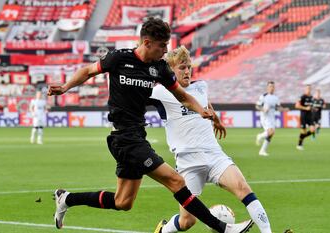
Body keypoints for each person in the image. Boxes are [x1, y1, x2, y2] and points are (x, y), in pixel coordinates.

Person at [48, 18, 251, 233]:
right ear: (147, 43)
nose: (165, 50)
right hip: (124, 138)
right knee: (176, 180)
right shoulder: (118, 58)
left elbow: (182, 96)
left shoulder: (159, 68)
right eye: (162, 45)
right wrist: (65, 87)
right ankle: (224, 229)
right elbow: (88, 71)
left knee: (123, 202)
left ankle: (66, 198)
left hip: (136, 136)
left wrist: (202, 111)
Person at [150, 46, 270, 233]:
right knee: (187, 221)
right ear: (170, 70)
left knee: (243, 187)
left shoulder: (201, 86)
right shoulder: (160, 92)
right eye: (182, 67)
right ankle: (162, 231)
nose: (187, 71)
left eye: (189, 66)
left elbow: (205, 102)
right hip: (187, 161)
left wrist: (216, 119)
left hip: (214, 155)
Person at [255, 81, 289, 156]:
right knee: (270, 131)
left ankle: (262, 151)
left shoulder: (275, 98)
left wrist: (284, 109)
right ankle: (259, 136)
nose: (272, 88)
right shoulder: (263, 96)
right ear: (267, 87)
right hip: (265, 117)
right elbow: (257, 106)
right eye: (270, 86)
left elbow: (278, 107)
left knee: (271, 134)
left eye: (273, 87)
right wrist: (263, 109)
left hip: (272, 117)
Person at [295, 85, 314, 150]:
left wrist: (313, 108)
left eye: (309, 88)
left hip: (310, 116)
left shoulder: (311, 97)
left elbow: (311, 106)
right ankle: (299, 144)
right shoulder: (302, 97)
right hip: (303, 116)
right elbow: (297, 105)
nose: (308, 90)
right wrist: (305, 108)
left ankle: (301, 138)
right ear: (305, 89)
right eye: (307, 88)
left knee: (312, 130)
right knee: (304, 132)